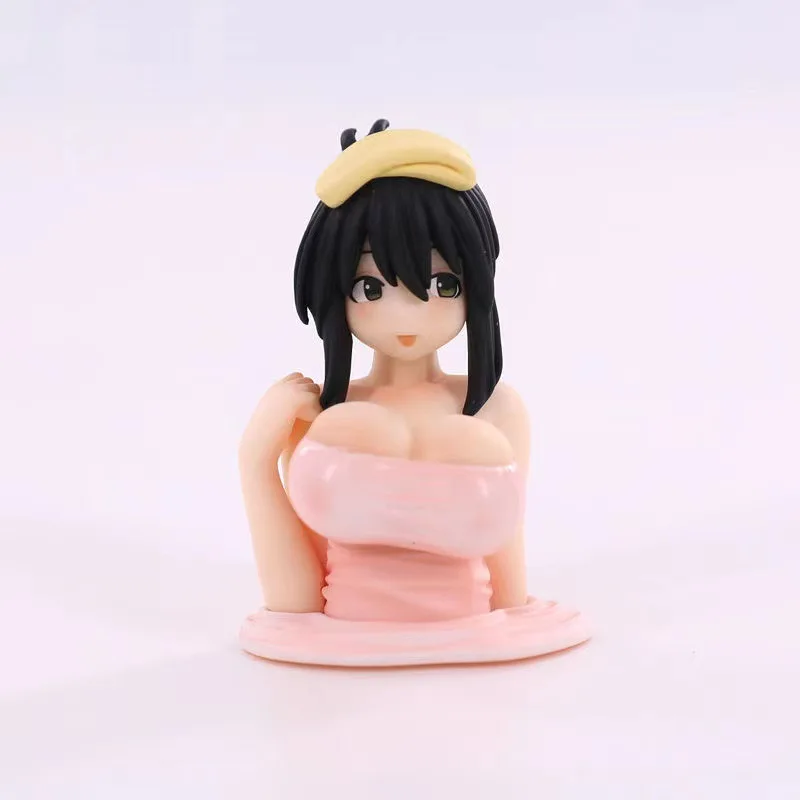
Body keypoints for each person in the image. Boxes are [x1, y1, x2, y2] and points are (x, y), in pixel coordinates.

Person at [238, 120, 590, 666]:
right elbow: (296, 598)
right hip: (344, 647)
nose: (406, 314)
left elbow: (506, 570)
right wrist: (255, 459)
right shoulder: (320, 412)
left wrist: (514, 611)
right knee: (347, 431)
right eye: (370, 287)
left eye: (443, 284)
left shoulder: (495, 408)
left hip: (475, 644)